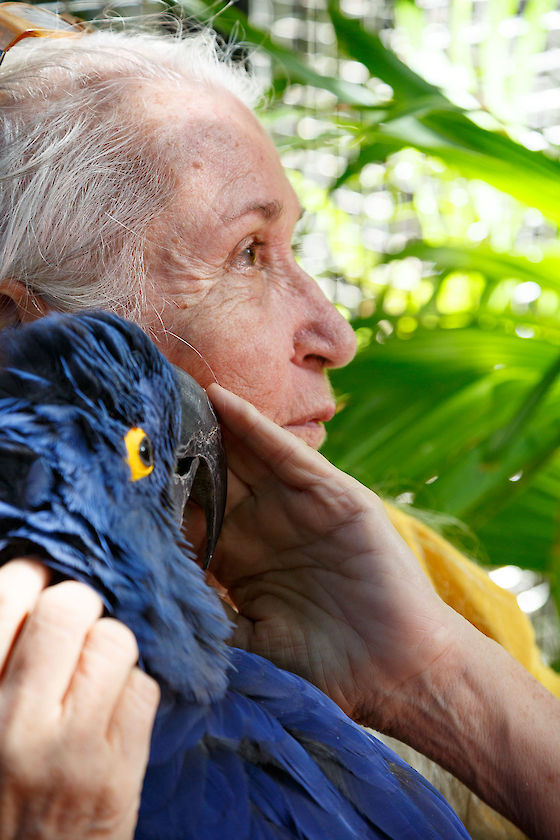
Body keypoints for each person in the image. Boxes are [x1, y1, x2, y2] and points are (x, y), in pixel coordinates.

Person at [0, 22, 558, 840]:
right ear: (16, 331)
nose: (336, 333)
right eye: (248, 254)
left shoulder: (416, 596)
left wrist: (432, 676)